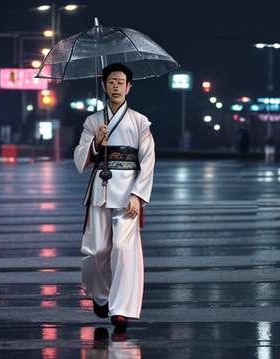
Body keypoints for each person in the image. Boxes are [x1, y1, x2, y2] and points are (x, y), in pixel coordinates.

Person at [73, 63, 155, 333]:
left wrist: (138, 195)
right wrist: (96, 142)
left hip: (128, 193)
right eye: (111, 81)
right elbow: (79, 160)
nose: (116, 85)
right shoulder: (93, 121)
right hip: (100, 190)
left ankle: (121, 310)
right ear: (104, 86)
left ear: (129, 86)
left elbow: (148, 160)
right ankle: (101, 296)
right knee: (96, 251)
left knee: (123, 249)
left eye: (121, 81)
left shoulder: (140, 122)